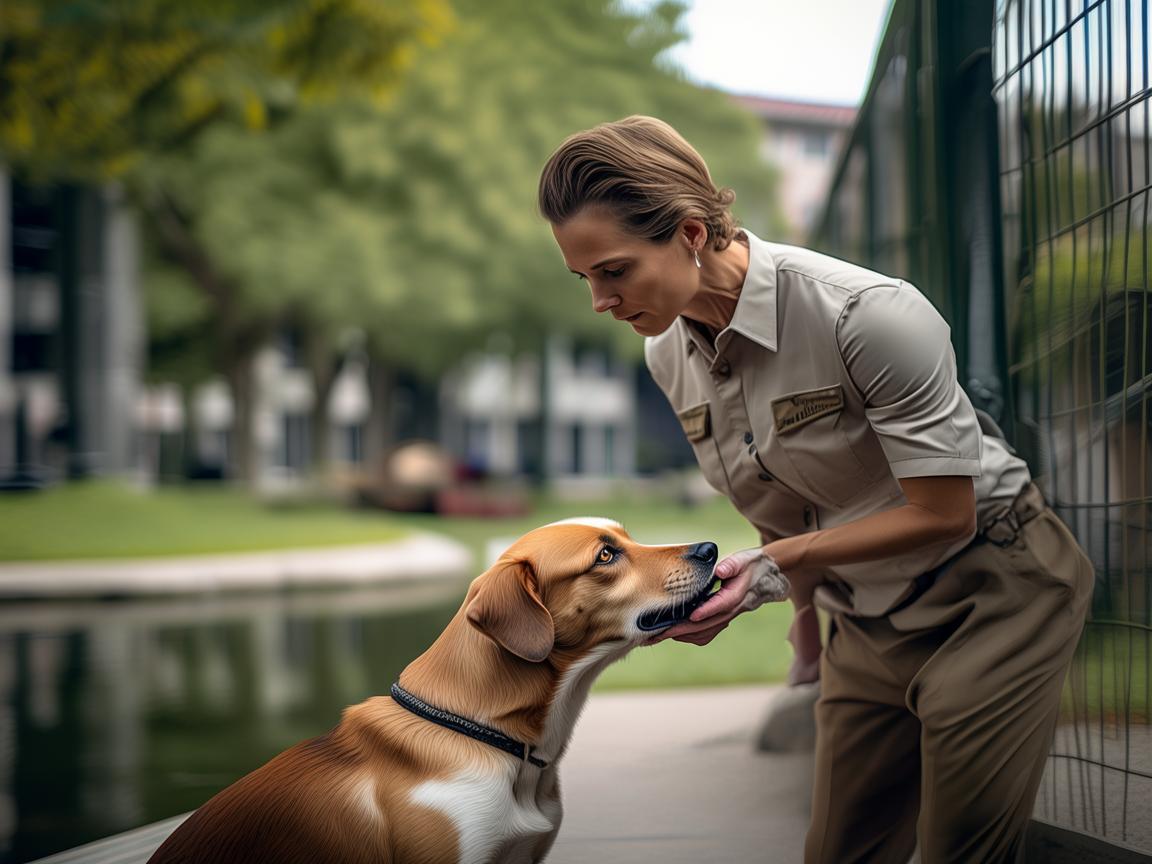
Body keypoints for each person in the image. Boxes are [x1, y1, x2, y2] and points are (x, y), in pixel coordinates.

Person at [537, 115, 1094, 864]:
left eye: (614, 270)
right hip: (863, 615)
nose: (600, 301)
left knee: (960, 852)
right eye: (585, 279)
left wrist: (770, 574)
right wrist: (803, 614)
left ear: (692, 233)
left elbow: (943, 512)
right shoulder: (667, 352)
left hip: (993, 588)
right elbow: (778, 499)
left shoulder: (868, 314)